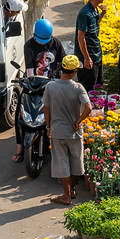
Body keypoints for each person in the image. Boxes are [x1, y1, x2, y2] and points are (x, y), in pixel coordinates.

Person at [12, 18, 65, 164]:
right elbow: (29, 67)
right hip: (33, 84)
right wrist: (30, 84)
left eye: (46, 40)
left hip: (52, 84)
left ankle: (58, 145)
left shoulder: (56, 44)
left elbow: (64, 61)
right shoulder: (29, 45)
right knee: (19, 115)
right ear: (34, 35)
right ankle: (19, 148)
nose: (42, 42)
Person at [43, 55, 92, 205]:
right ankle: (71, 191)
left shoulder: (50, 87)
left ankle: (66, 196)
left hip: (58, 132)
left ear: (61, 69)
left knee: (62, 164)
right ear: (75, 71)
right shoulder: (78, 87)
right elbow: (89, 107)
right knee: (75, 163)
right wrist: (78, 121)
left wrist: (48, 127)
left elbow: (47, 110)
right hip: (75, 132)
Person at [75, 0, 109, 92]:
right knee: (89, 89)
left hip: (96, 54)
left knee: (98, 85)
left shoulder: (95, 9)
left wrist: (102, 14)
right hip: (89, 58)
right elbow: (81, 37)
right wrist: (86, 57)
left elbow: (94, 25)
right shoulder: (85, 13)